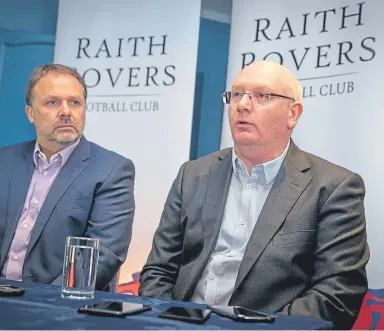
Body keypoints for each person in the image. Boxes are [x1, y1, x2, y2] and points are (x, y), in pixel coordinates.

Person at [139, 60, 369, 329]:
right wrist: (170, 322)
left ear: (293, 114)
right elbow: (158, 271)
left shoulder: (334, 187)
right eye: (236, 94)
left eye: (262, 96)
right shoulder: (193, 175)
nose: (243, 105)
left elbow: (337, 295)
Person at [0, 64, 135, 291]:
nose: (66, 111)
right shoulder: (1, 161)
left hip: (58, 310)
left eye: (74, 102)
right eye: (52, 102)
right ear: (30, 113)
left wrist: (38, 302)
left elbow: (102, 257)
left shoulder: (112, 170)